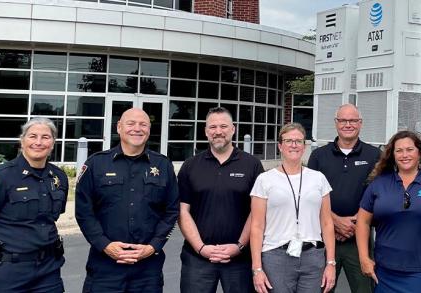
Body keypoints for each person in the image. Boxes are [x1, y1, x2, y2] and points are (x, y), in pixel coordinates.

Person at [75, 108, 180, 293]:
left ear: (149, 129)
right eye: (131, 123)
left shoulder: (163, 165)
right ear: (119, 127)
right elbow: (84, 212)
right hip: (105, 267)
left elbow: (171, 211)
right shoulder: (95, 164)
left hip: (148, 269)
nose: (137, 128)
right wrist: (105, 245)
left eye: (143, 124)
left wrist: (153, 246)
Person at [0, 118, 69, 293]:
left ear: (52, 143)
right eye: (32, 136)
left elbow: (50, 220)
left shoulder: (58, 178)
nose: (38, 142)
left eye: (45, 137)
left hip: (48, 272)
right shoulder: (0, 177)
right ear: (22, 141)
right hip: (5, 273)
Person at [355, 130, 421, 293]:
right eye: (399, 150)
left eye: (410, 150)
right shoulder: (379, 184)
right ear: (392, 155)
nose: (404, 155)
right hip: (385, 271)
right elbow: (362, 221)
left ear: (420, 153)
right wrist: (364, 258)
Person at [177, 107, 264, 293]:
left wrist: (239, 246)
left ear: (233, 129)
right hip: (197, 259)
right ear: (206, 131)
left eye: (223, 126)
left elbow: (257, 212)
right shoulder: (190, 166)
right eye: (213, 127)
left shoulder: (252, 165)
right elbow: (182, 211)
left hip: (240, 259)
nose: (218, 131)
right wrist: (201, 248)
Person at [250, 123, 337, 293]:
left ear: (304, 146)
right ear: (280, 146)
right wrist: (257, 269)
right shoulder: (265, 180)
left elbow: (327, 223)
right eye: (288, 140)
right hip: (276, 256)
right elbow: (257, 226)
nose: (293, 145)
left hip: (312, 257)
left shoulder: (318, 179)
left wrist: (331, 263)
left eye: (298, 141)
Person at [307, 104, 380, 293]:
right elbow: (309, 195)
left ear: (360, 124)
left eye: (353, 120)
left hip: (359, 240)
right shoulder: (318, 156)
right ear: (336, 123)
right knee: (321, 288)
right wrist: (336, 221)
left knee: (364, 288)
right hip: (324, 239)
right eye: (343, 120)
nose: (348, 124)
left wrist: (355, 224)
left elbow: (379, 195)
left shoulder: (374, 155)